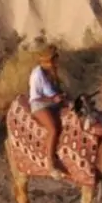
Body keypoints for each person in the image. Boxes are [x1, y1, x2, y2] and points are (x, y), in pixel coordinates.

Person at [29, 44, 66, 178]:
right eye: (54, 59)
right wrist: (54, 99)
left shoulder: (50, 72)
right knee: (53, 129)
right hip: (39, 105)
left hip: (50, 103)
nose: (57, 62)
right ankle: (50, 163)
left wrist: (60, 97)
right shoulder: (38, 74)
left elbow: (54, 92)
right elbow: (36, 96)